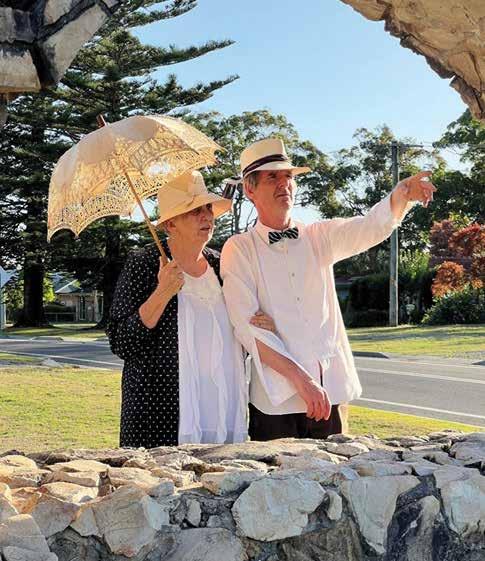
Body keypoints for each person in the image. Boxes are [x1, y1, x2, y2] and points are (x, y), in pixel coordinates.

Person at [220, 138, 436, 441]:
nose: (284, 184)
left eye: (288, 176)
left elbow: (368, 227)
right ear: (250, 189)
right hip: (276, 403)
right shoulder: (239, 249)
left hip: (330, 394)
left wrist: (401, 195)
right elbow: (248, 327)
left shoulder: (318, 236)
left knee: (338, 470)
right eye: (272, 177)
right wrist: (303, 381)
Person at [107, 170, 275, 448]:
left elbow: (240, 327)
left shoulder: (224, 265)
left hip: (223, 410)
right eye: (195, 210)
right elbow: (122, 342)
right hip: (161, 416)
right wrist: (162, 292)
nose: (206, 216)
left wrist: (261, 324)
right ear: (170, 224)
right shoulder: (143, 265)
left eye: (208, 208)